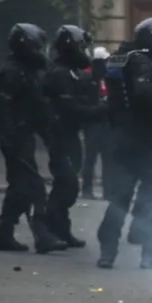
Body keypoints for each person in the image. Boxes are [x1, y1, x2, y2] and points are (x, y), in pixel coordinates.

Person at [97, 19, 152, 269]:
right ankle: (150, 253)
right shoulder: (141, 62)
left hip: (122, 139)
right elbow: (144, 93)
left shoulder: (120, 57)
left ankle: (108, 252)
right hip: (145, 141)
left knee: (120, 199)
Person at [0, 23, 68, 253]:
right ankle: (42, 235)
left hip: (24, 136)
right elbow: (1, 109)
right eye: (37, 46)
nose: (40, 52)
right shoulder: (12, 73)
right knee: (34, 186)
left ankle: (3, 234)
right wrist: (9, 138)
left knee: (18, 188)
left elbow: (37, 109)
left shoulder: (28, 72)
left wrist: (49, 133)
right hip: (15, 138)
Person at [41, 25, 106, 248]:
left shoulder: (70, 73)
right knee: (66, 184)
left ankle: (61, 229)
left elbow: (81, 100)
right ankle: (48, 230)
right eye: (81, 47)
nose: (84, 52)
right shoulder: (59, 74)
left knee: (68, 186)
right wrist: (102, 111)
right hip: (59, 136)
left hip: (69, 135)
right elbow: (72, 109)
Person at [81, 46, 111, 199]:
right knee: (92, 158)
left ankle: (105, 190)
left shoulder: (106, 76)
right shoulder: (88, 76)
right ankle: (88, 189)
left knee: (104, 158)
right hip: (94, 123)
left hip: (103, 123)